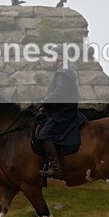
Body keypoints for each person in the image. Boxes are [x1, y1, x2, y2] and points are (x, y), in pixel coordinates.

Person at [36, 45, 85, 179]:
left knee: (44, 135)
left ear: (60, 57)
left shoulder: (62, 72)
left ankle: (55, 168)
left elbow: (59, 91)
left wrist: (44, 101)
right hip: (59, 110)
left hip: (62, 113)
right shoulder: (63, 71)